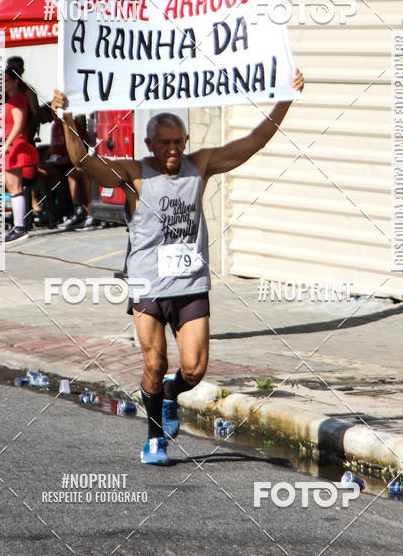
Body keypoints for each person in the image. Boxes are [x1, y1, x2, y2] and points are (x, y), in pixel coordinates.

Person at [51, 67, 304, 465]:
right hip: (148, 285)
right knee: (154, 362)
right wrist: (65, 119)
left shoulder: (199, 166)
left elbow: (252, 143)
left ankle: (170, 395)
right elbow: (84, 162)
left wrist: (285, 98)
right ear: (150, 143)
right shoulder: (135, 174)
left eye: (177, 143)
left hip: (189, 283)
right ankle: (154, 439)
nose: (172, 150)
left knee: (195, 368)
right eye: (164, 144)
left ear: (185, 142)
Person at [4, 67, 39, 244]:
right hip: (10, 145)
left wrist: (6, 144)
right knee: (11, 187)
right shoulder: (9, 100)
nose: (4, 84)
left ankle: (20, 226)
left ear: (15, 81)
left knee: (15, 187)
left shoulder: (18, 99)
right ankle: (15, 224)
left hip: (15, 145)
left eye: (6, 80)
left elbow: (18, 125)